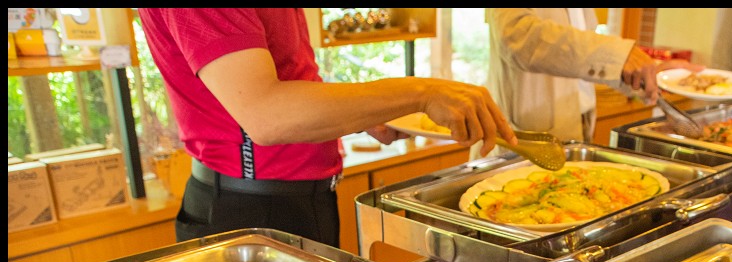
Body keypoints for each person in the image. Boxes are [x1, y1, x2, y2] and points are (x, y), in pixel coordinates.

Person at [137, 8, 516, 245]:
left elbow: (285, 77)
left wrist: (366, 113)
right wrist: (420, 93)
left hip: (295, 201)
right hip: (248, 210)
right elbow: (266, 115)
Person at [484, 8, 701, 144]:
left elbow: (576, 55)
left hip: (578, 129)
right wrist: (617, 55)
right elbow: (519, 37)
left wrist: (651, 70)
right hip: (522, 142)